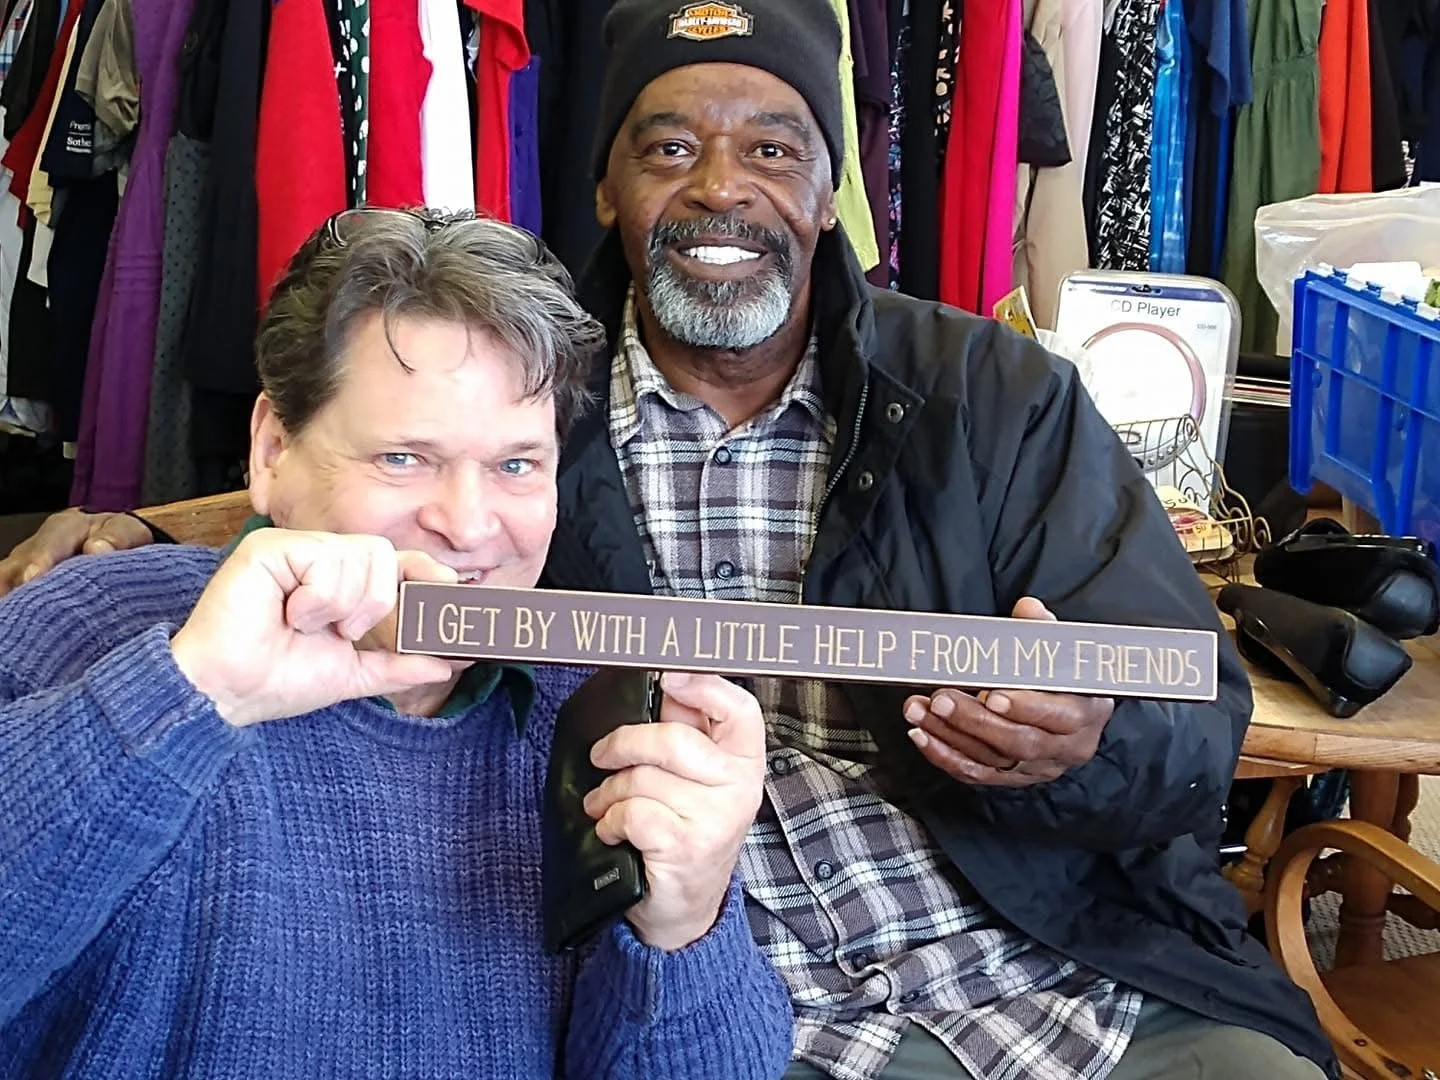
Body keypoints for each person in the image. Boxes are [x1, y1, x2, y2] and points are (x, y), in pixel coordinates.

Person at [0, 4, 1339, 1080]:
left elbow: (1193, 704)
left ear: (830, 196)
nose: (718, 189)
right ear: (604, 188)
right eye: (665, 147)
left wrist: (1089, 740)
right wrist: (145, 543)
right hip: (756, 993)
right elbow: (363, 491)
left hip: (1062, 963)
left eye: (769, 150)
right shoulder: (531, 387)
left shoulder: (999, 395)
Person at [0, 209, 796, 1078]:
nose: (468, 524)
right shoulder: (80, 624)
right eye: (405, 458)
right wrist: (188, 695)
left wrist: (684, 927)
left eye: (516, 465)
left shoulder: (600, 707)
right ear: (273, 451)